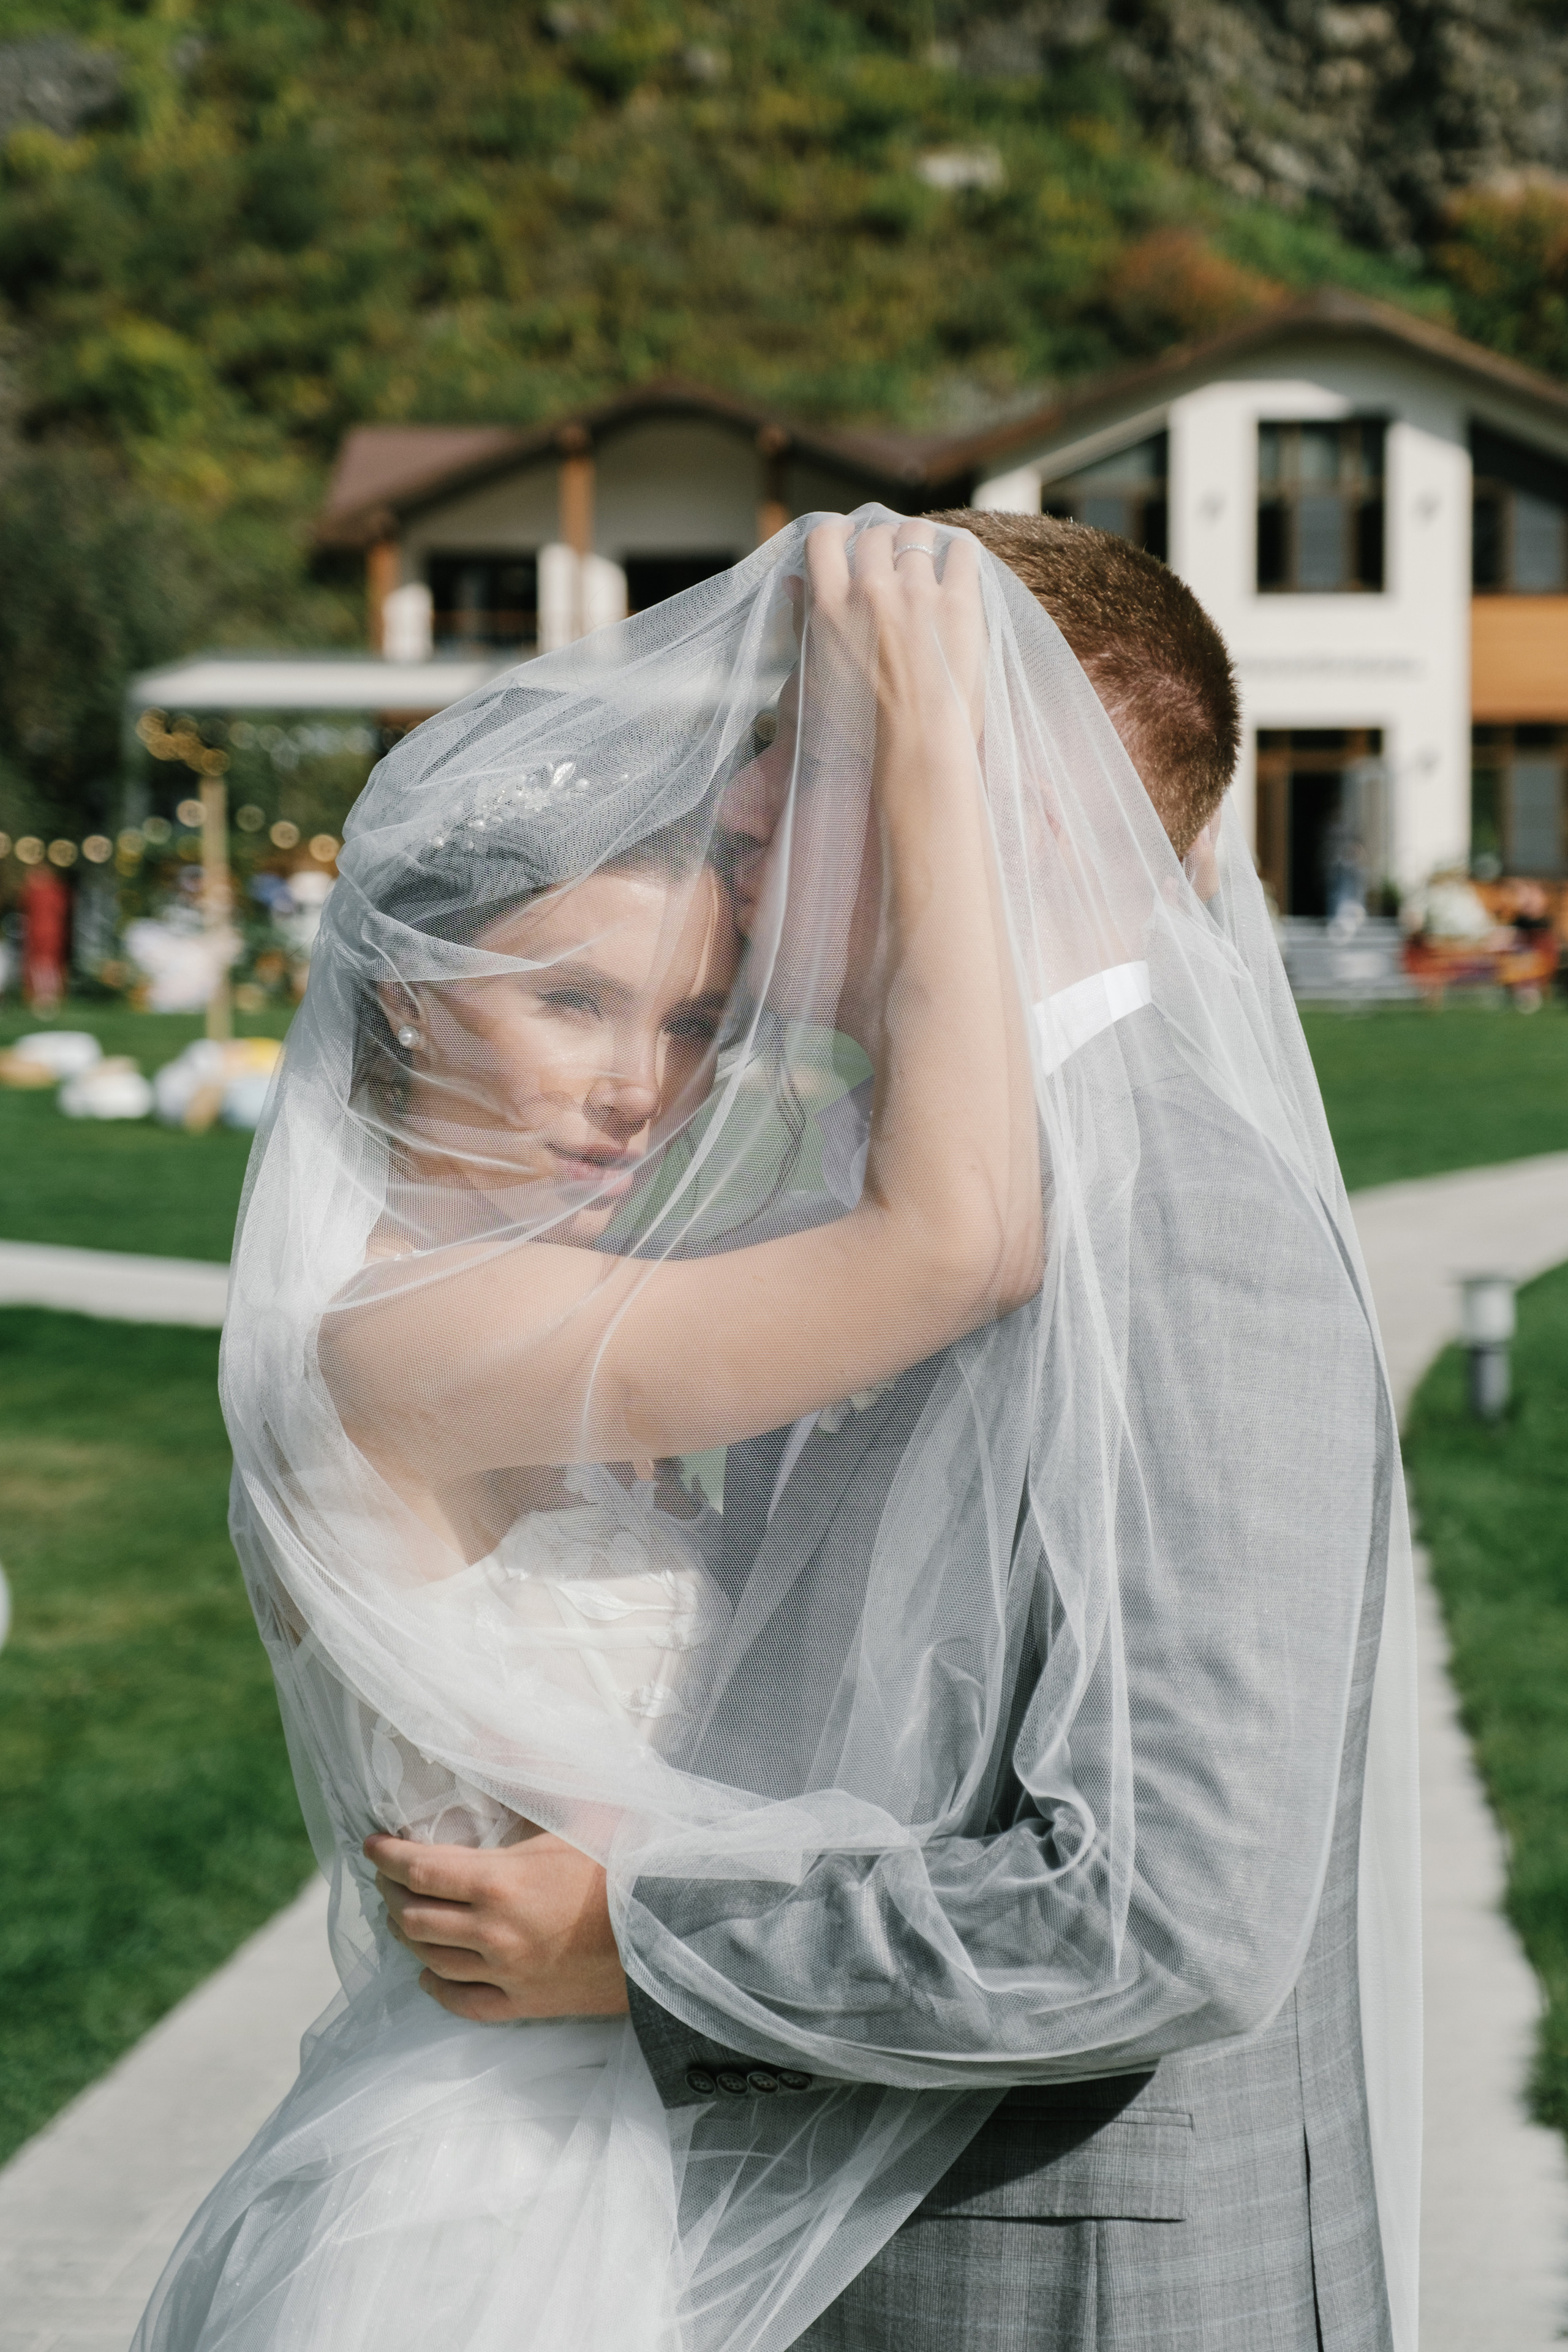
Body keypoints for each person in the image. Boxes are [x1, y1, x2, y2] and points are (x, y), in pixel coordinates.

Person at [368, 514, 1419, 2351]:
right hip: (814, 2239)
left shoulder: (1180, 1221)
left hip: (1065, 2285)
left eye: (807, 768)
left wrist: (639, 1944)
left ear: (991, 802)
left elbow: (1164, 1918)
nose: (738, 830)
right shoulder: (859, 1181)